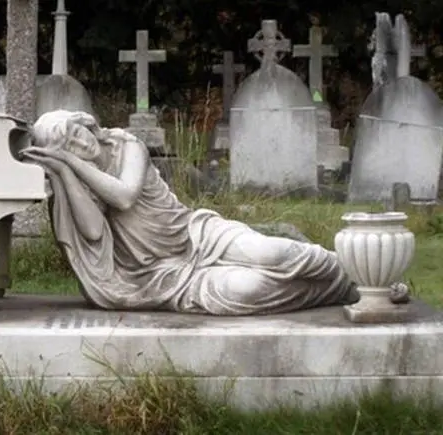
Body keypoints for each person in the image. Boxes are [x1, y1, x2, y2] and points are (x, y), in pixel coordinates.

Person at [21, 110, 359, 315]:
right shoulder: (80, 180)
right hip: (159, 274)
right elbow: (93, 232)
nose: (80, 144)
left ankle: (357, 272)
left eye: (77, 132)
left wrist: (72, 162)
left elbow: (124, 197)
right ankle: (336, 290)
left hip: (195, 234)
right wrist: (65, 173)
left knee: (271, 253)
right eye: (69, 146)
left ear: (86, 124)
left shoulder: (128, 145)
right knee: (247, 291)